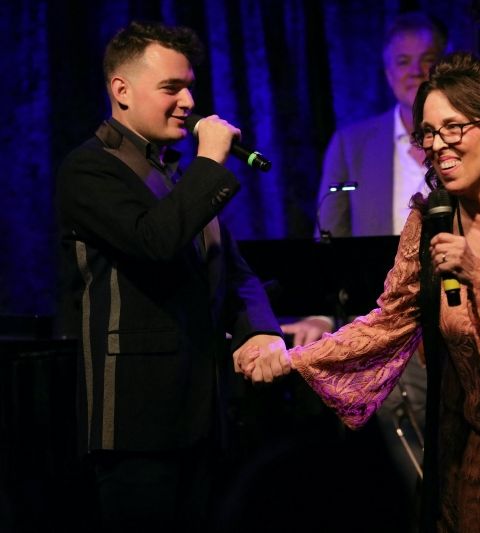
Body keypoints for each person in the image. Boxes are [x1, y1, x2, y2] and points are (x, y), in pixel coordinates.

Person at [242, 51, 480, 531]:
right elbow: (389, 320)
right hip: (474, 451)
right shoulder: (428, 219)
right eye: (428, 133)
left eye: (453, 128)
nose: (438, 145)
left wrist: (479, 273)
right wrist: (293, 359)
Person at [56, 20, 288, 531]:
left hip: (203, 415)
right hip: (135, 424)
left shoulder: (176, 177)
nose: (188, 101)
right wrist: (210, 162)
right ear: (121, 90)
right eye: (171, 88)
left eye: (189, 87)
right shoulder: (89, 170)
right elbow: (154, 242)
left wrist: (263, 330)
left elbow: (232, 268)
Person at [281, 10, 447, 506]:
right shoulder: (353, 144)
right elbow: (330, 237)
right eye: (403, 61)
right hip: (381, 321)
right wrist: (320, 307)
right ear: (386, 69)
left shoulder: (464, 140)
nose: (415, 71)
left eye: (428, 61)